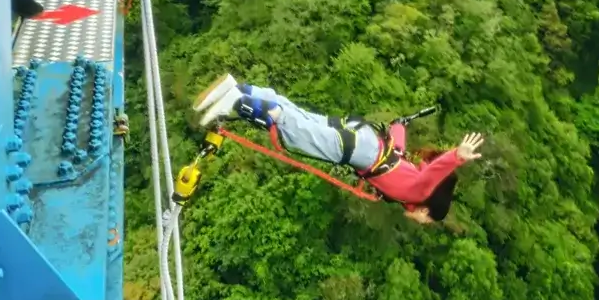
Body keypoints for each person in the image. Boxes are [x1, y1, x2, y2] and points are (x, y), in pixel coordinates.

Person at [193, 73, 485, 224]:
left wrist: (399, 125)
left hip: (366, 139)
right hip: (361, 151)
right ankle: (236, 102)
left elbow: (397, 147)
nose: (422, 222)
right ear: (426, 208)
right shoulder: (419, 190)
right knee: (294, 133)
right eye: (427, 219)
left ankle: (244, 90)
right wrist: (456, 158)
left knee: (298, 116)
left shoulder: (408, 182)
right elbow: (431, 177)